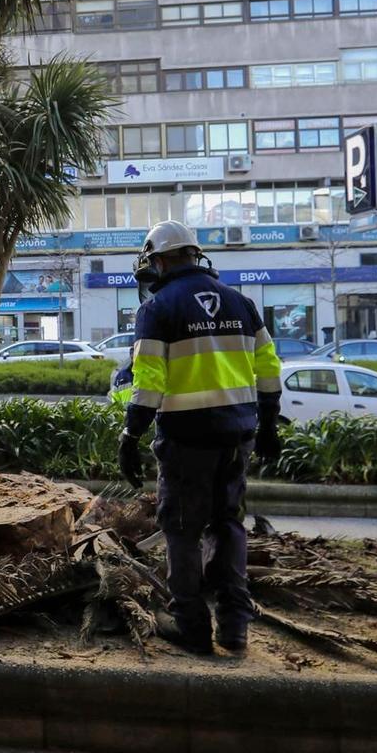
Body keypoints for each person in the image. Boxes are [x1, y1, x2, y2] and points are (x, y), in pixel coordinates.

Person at [117, 221, 282, 657]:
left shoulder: (156, 310)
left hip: (186, 440)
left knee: (182, 530)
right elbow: (268, 369)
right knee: (227, 524)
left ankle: (191, 627)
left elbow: (148, 382)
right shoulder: (242, 304)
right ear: (196, 256)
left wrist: (130, 434)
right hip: (237, 437)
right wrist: (268, 425)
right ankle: (234, 629)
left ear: (161, 260)